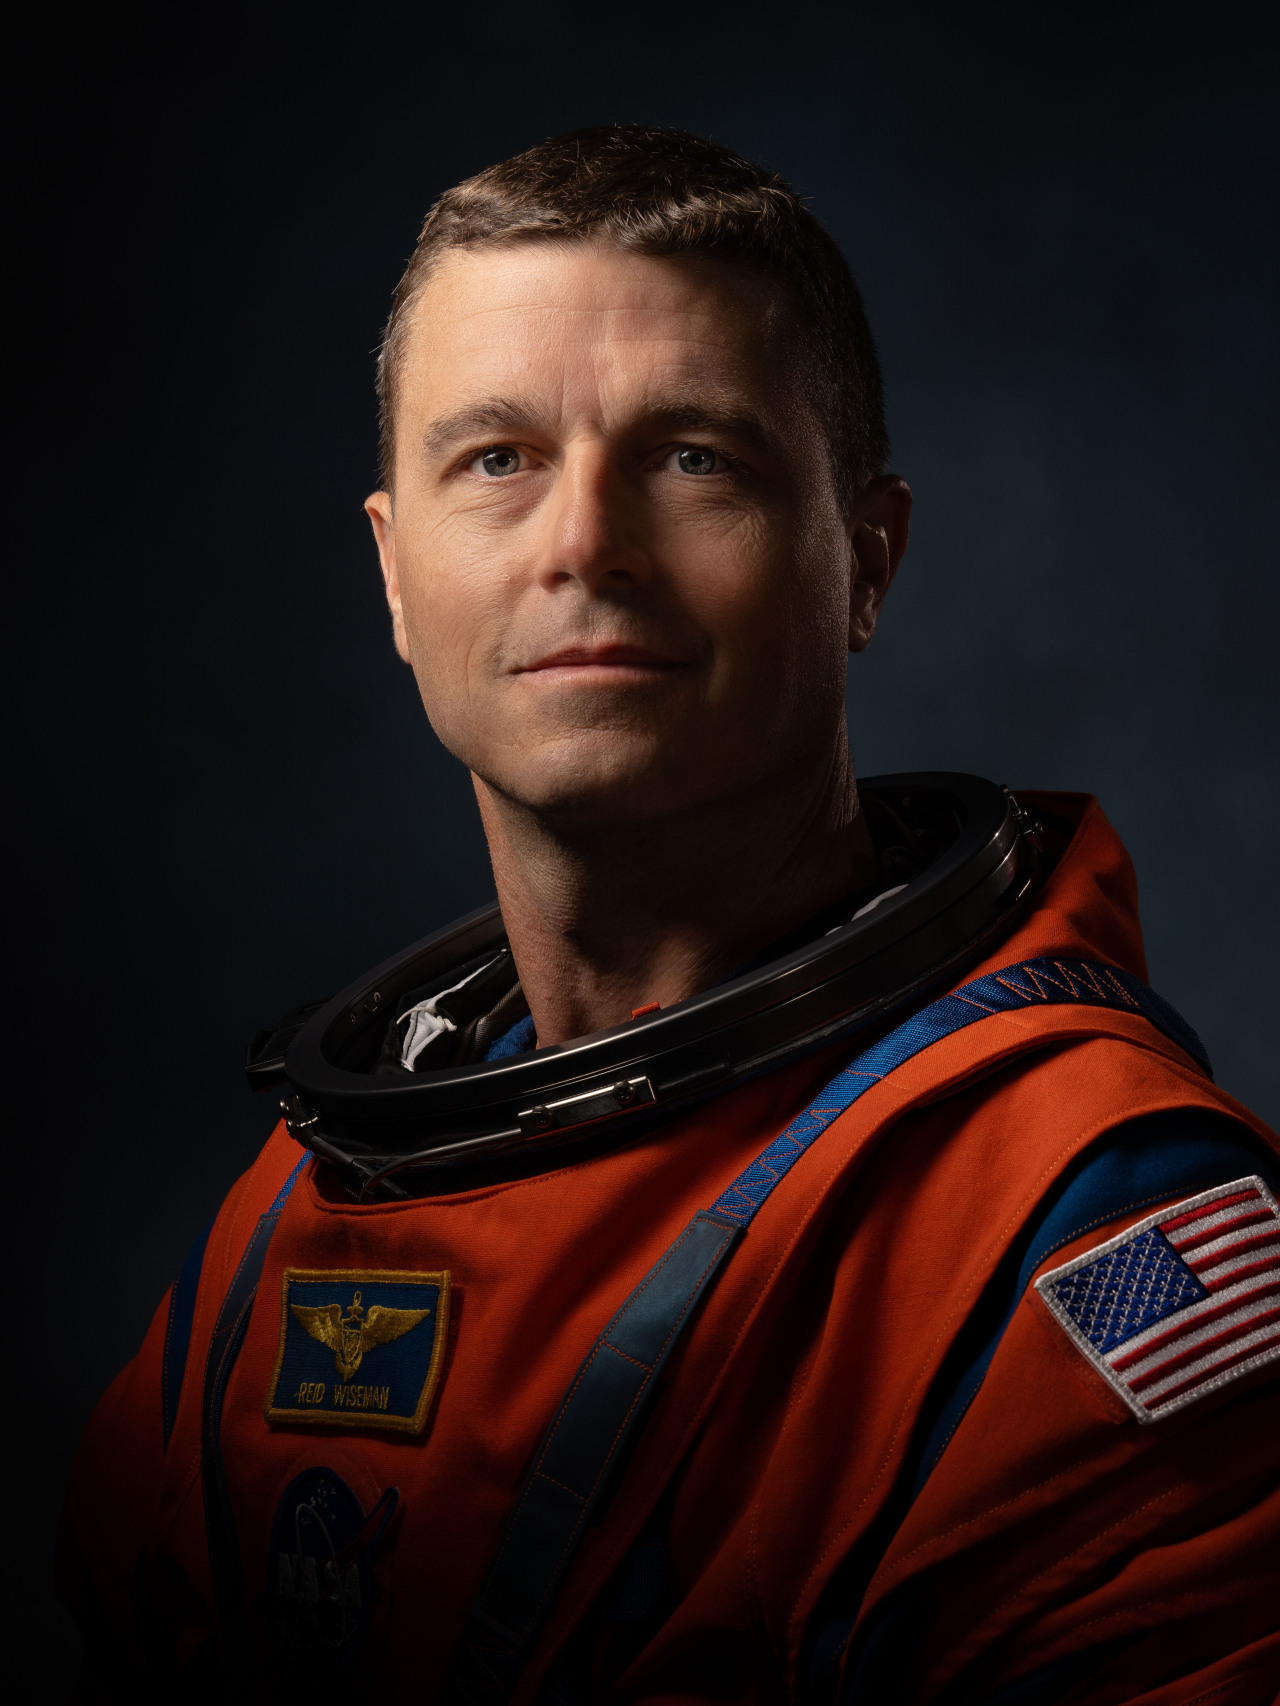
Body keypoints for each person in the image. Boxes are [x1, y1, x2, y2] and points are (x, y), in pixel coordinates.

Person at [58, 126, 1279, 1706]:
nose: (584, 546)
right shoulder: (304, 1205)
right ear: (394, 576)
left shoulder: (1082, 1223)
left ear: (869, 558)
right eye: (496, 459)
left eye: (694, 456)